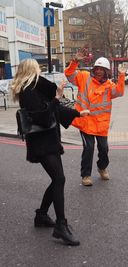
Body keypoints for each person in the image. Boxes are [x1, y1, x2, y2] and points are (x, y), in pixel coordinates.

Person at [11, 58, 90, 246]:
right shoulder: (28, 92)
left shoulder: (37, 88)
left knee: (57, 179)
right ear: (31, 70)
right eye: (38, 68)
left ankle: (41, 216)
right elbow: (44, 117)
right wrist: (57, 98)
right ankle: (61, 226)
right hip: (41, 142)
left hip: (49, 141)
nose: (40, 71)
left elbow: (53, 111)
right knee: (59, 179)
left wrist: (78, 113)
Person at [64, 48, 127, 186]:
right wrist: (74, 61)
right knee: (89, 148)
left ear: (107, 72)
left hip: (101, 125)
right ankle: (86, 175)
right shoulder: (84, 77)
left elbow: (120, 92)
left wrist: (122, 75)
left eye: (102, 69)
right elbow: (68, 74)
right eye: (97, 68)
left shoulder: (109, 86)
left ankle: (102, 167)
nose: (98, 71)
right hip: (85, 122)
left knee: (104, 149)